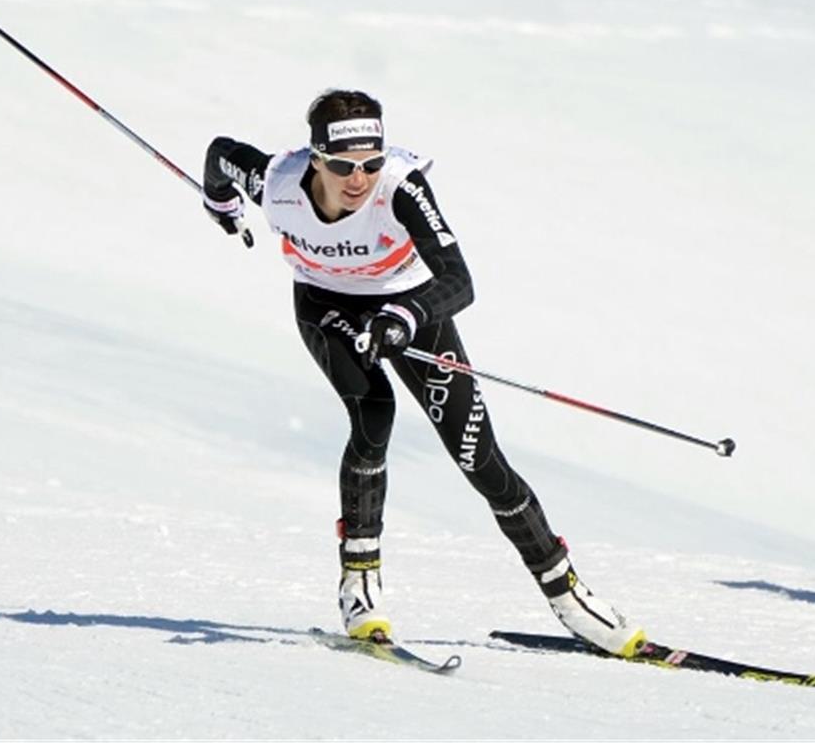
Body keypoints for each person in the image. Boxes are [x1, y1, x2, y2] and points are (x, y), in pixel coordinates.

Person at [202, 89, 645, 657]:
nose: (358, 179)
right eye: (342, 166)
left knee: (480, 460)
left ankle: (570, 598)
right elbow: (219, 155)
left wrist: (404, 316)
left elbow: (459, 280)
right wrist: (221, 203)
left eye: (370, 162)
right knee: (374, 414)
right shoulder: (277, 184)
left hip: (412, 309)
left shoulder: (401, 187)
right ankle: (360, 585)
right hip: (326, 304)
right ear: (315, 159)